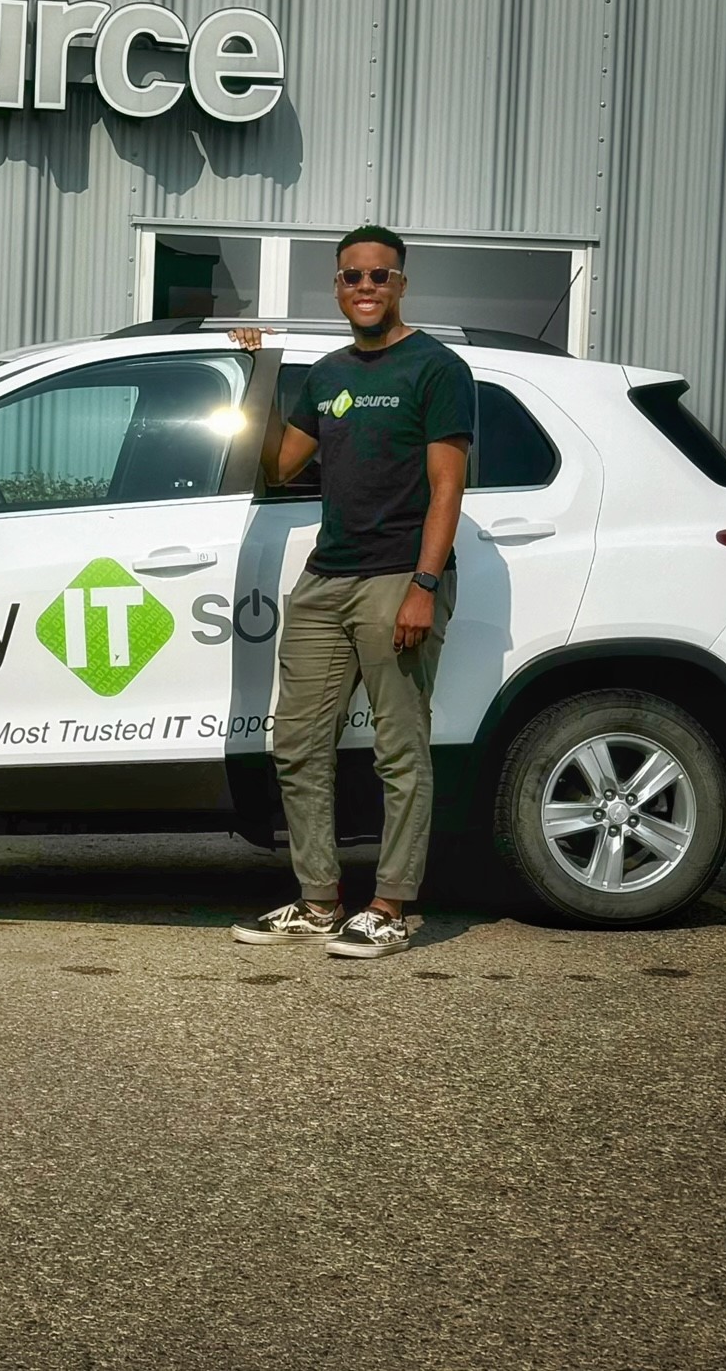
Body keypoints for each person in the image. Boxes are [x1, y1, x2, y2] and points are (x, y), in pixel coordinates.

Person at [228, 225, 474, 958]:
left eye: (379, 276)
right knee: (297, 745)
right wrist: (261, 371)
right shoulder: (330, 374)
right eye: (351, 277)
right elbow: (278, 463)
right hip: (327, 575)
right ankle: (319, 901)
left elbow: (446, 486)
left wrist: (424, 586)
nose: (365, 288)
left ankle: (392, 906)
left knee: (399, 748)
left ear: (401, 284)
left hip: (400, 573)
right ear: (336, 287)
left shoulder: (435, 368)